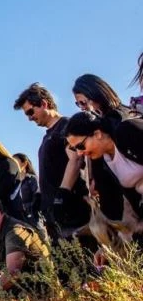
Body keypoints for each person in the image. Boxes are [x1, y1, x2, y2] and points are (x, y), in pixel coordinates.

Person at [13, 83, 90, 241]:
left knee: (84, 259)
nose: (29, 118)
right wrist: (40, 195)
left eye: (30, 111)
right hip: (53, 214)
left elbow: (76, 159)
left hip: (71, 208)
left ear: (43, 103)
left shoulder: (67, 127)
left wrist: (63, 194)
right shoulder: (47, 136)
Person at [64, 112, 143, 220]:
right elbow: (110, 203)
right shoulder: (101, 162)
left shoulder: (127, 130)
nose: (79, 153)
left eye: (80, 146)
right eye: (75, 149)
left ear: (97, 134)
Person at [13, 153, 43, 229]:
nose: (13, 164)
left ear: (25, 163)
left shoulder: (32, 179)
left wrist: (29, 210)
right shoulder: (13, 181)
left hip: (33, 218)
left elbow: (37, 198)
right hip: (18, 219)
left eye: (15, 162)